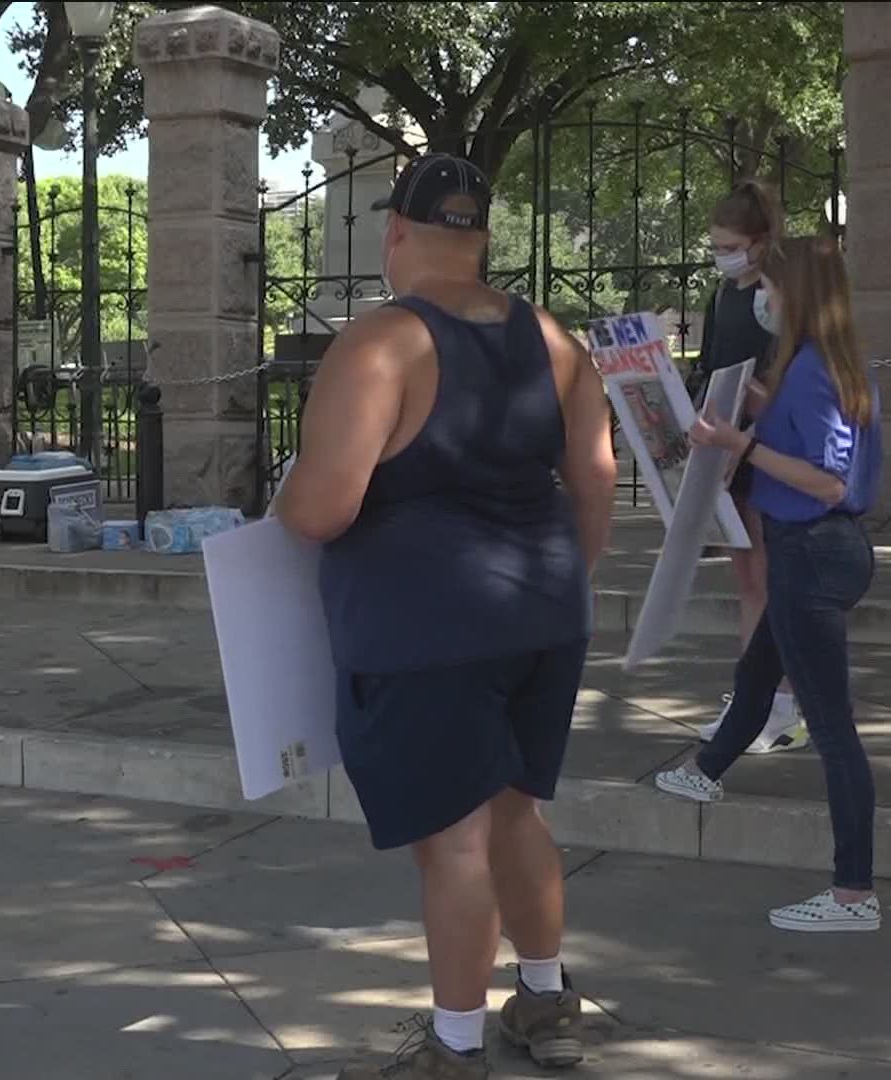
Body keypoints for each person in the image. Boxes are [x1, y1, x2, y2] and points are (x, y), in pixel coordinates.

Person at [276, 154, 619, 1078]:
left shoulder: (382, 343)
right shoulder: (555, 340)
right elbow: (598, 476)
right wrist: (561, 580)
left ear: (394, 231)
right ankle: (546, 1002)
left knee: (456, 842)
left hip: (426, 623)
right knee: (518, 816)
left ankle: (455, 1048)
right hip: (543, 610)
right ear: (480, 238)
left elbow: (321, 509)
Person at [654, 235, 885, 933]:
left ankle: (854, 894)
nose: (762, 297)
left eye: (771, 286)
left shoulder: (816, 370)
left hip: (814, 549)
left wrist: (740, 444)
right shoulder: (819, 365)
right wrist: (747, 402)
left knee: (833, 727)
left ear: (798, 294)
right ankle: (706, 769)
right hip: (811, 552)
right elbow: (804, 437)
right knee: (760, 669)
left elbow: (826, 479)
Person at [687, 179, 809, 755]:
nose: (722, 254)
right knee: (747, 579)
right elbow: (711, 363)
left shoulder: (776, 293)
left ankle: (778, 702)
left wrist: (752, 432)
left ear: (761, 242)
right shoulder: (722, 296)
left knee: (767, 579)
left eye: (730, 244)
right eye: (715, 244)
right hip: (726, 445)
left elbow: (791, 371)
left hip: (761, 446)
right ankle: (757, 695)